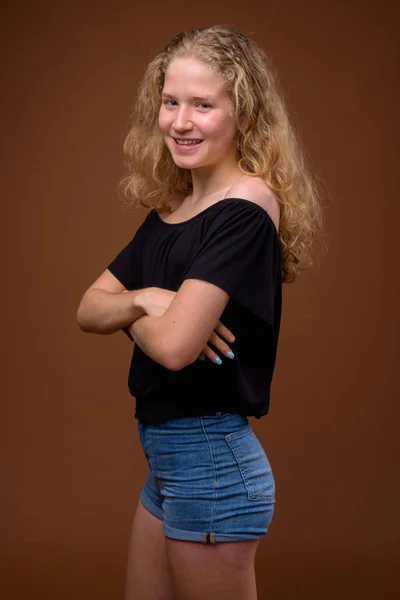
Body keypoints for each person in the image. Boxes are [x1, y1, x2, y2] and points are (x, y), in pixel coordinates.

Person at [77, 24, 323, 600]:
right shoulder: (176, 210)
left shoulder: (246, 209)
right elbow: (88, 308)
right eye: (170, 102)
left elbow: (174, 347)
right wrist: (145, 299)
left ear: (244, 113)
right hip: (168, 462)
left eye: (203, 105)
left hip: (211, 462)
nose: (180, 122)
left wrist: (132, 309)